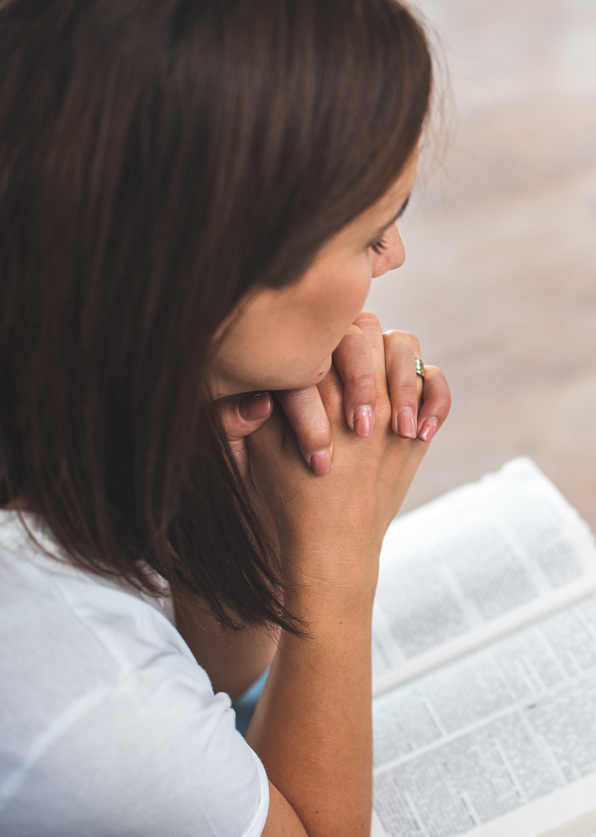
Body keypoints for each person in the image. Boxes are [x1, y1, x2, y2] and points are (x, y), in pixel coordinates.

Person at [0, 1, 452, 835]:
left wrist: (244, 486)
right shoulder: (80, 695)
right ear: (214, 275)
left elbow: (202, 670)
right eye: (370, 232)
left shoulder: (67, 384)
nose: (394, 257)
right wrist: (337, 564)